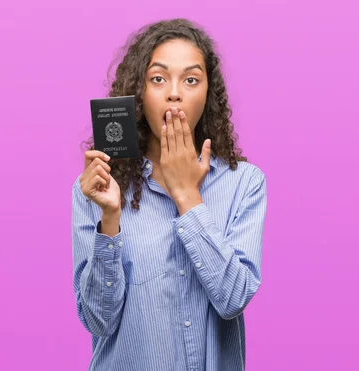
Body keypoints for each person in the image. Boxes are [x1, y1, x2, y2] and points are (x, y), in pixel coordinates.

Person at [71, 18, 267, 371]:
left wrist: (186, 195)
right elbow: (98, 322)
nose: (174, 93)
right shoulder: (96, 188)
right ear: (139, 91)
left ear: (207, 94)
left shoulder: (245, 184)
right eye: (158, 79)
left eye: (191, 79)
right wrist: (111, 219)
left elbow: (234, 298)